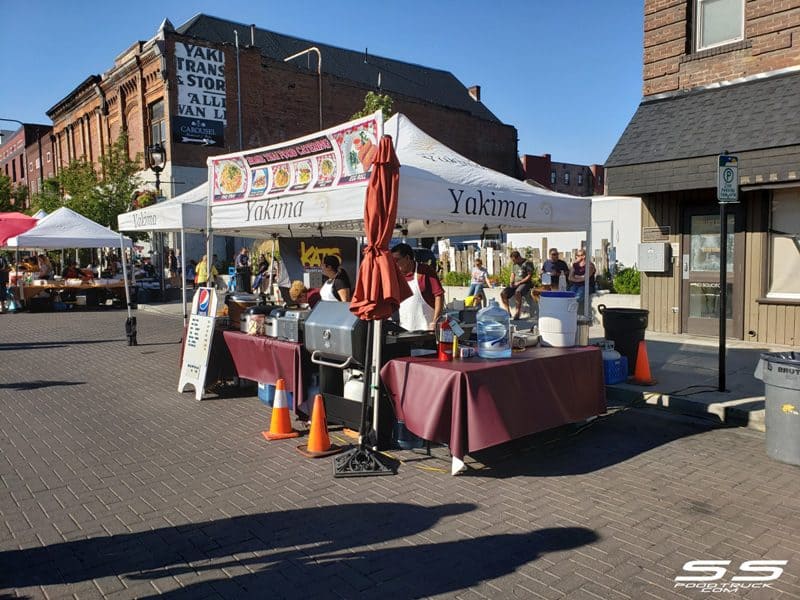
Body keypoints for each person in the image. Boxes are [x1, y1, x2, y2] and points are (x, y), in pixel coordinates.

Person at [390, 242, 444, 331]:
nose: (394, 264)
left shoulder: (425, 271)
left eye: (396, 260)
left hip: (427, 328)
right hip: (405, 328)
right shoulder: (396, 276)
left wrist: (435, 321)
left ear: (407, 258)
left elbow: (439, 295)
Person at [500, 250, 534, 320]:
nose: (513, 262)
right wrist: (511, 282)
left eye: (514, 260)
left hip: (525, 283)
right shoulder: (514, 264)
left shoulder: (527, 263)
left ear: (518, 257)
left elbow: (529, 276)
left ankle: (517, 313)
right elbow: (513, 274)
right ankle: (507, 312)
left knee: (517, 292)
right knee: (503, 293)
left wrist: (519, 283)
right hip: (515, 284)